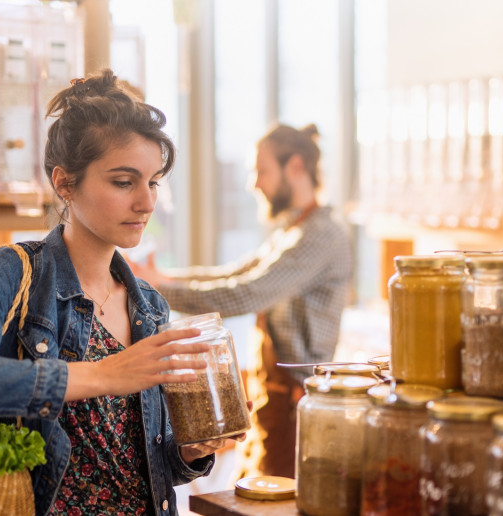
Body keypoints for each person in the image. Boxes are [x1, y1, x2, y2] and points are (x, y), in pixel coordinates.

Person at [0, 68, 244, 516]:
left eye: (153, 182)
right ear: (64, 182)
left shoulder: (149, 305)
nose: (146, 202)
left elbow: (145, 464)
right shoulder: (13, 273)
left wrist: (192, 452)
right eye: (124, 182)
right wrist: (104, 374)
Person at [129, 123, 353, 478]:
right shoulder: (294, 231)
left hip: (297, 404)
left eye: (262, 170)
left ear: (295, 167)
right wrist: (163, 279)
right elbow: (233, 274)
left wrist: (156, 286)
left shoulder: (321, 236)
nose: (255, 183)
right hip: (275, 398)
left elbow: (245, 293)